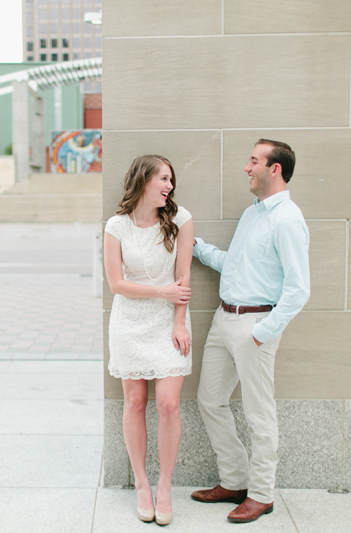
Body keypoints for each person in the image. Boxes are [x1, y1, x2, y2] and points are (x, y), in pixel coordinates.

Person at [191, 139, 310, 524]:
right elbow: (235, 264)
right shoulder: (251, 214)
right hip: (223, 320)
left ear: (274, 169)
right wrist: (195, 248)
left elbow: (298, 289)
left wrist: (263, 331)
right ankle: (235, 481)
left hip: (255, 325)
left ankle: (261, 494)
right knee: (210, 400)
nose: (247, 167)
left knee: (260, 414)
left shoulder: (287, 219)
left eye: (254, 161)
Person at [104, 155, 194, 526]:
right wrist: (162, 294)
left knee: (169, 405)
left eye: (171, 180)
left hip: (168, 322)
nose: (169, 186)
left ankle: (164, 486)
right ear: (143, 180)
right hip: (130, 323)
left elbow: (183, 278)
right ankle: (141, 483)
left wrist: (179, 324)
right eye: (163, 178)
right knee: (136, 402)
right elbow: (116, 285)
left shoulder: (180, 221)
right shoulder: (116, 226)